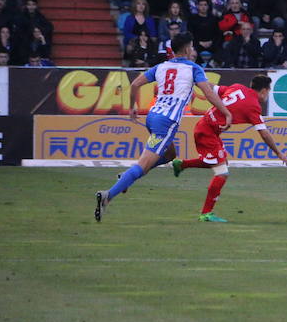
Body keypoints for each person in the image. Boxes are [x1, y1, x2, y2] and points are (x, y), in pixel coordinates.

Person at [94, 33, 232, 222]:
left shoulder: (161, 67)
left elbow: (134, 84)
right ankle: (108, 195)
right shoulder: (193, 68)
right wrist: (226, 112)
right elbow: (208, 93)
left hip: (152, 116)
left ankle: (127, 177)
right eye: (191, 46)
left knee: (170, 155)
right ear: (186, 49)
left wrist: (133, 107)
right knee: (143, 164)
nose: (192, 50)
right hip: (166, 122)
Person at [171, 75, 287, 222]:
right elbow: (264, 134)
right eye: (269, 91)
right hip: (207, 132)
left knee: (216, 162)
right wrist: (278, 153)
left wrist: (196, 80)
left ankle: (182, 164)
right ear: (264, 91)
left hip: (206, 127)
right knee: (222, 173)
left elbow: (211, 87)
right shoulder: (253, 106)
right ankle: (206, 214)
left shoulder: (237, 88)